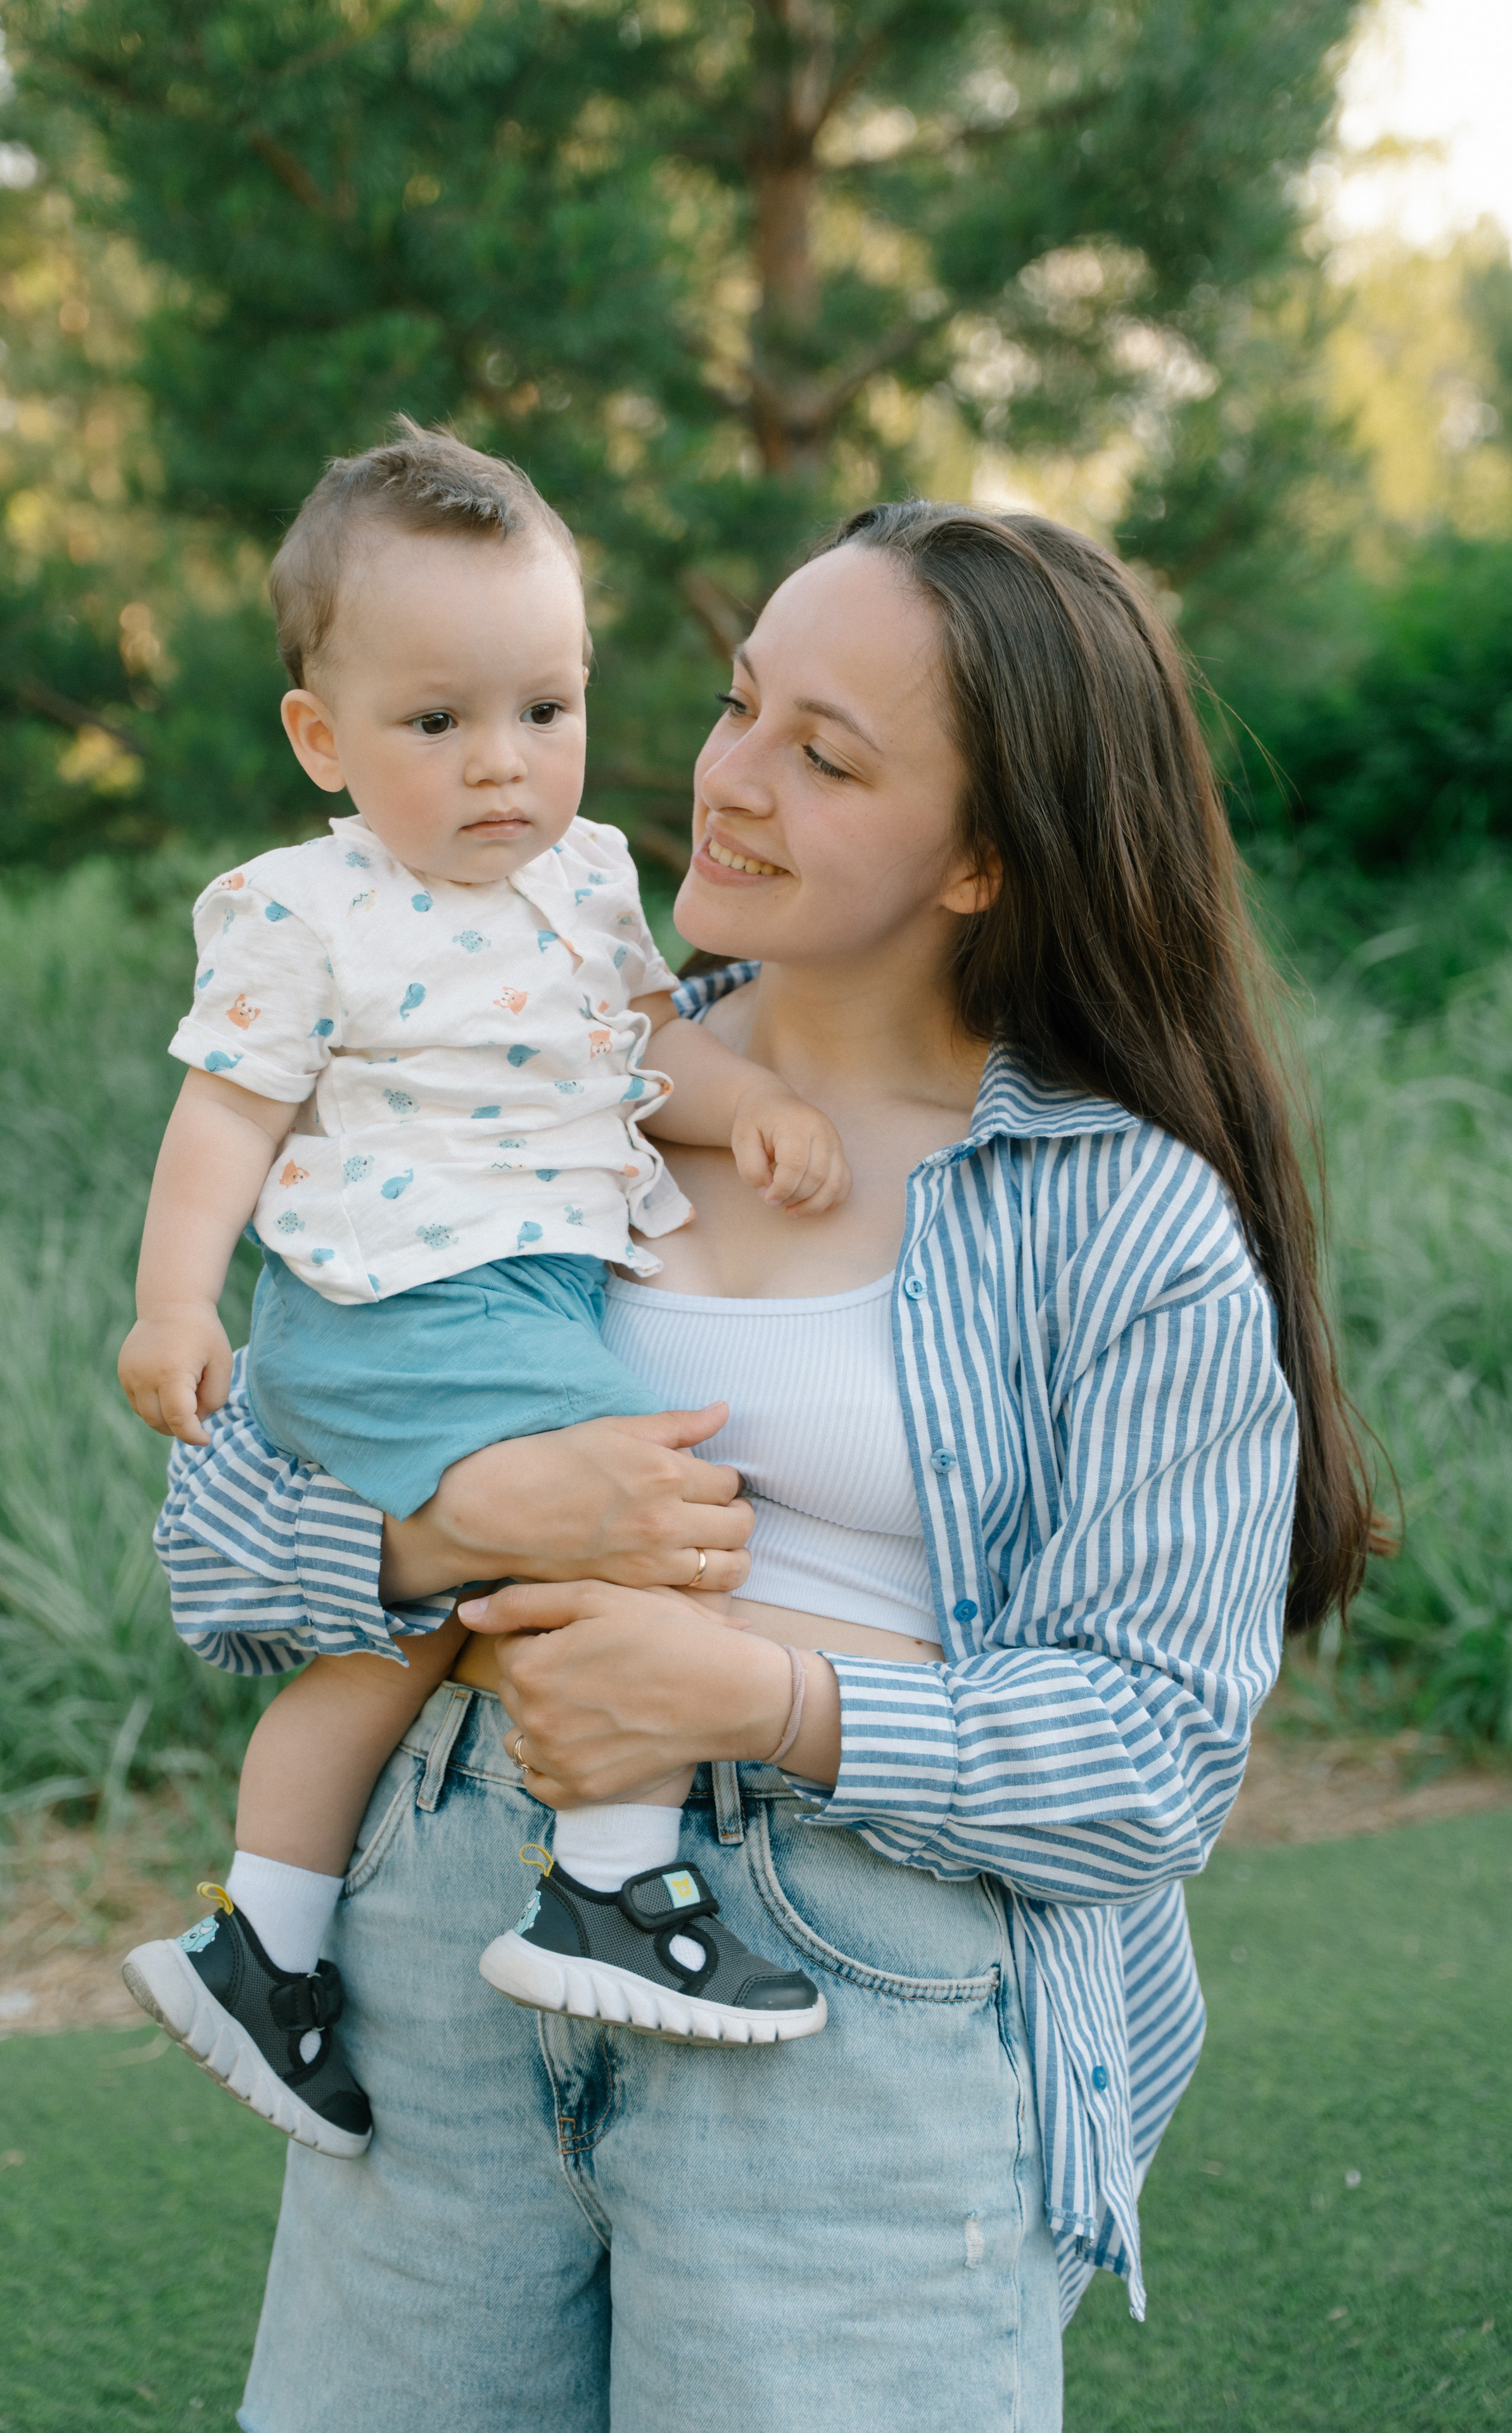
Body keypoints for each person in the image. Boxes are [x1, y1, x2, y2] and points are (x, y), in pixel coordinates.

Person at [155, 499, 1374, 2433]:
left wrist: (759, 1695)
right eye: (738, 707)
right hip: (439, 1953)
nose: (728, 781)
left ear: (984, 855)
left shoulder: (1119, 1225)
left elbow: (1152, 1762)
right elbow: (216, 1557)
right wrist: (450, 1529)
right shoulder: (507, 1073)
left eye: (827, 756)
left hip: (853, 1991)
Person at [117, 423, 846, 2158]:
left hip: (518, 1307)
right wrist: (174, 1306)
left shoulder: (592, 881)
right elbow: (224, 1119)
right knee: (650, 1497)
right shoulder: (309, 913)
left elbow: (651, 1048)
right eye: (437, 724)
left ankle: (262, 1940)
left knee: (409, 1627)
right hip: (389, 1315)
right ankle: (607, 1882)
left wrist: (755, 1116)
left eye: (545, 709)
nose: (504, 766)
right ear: (324, 736)